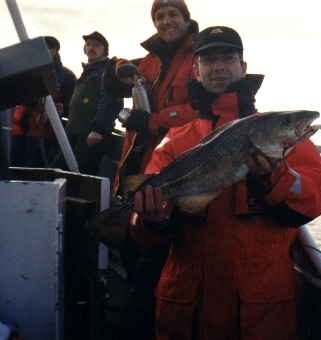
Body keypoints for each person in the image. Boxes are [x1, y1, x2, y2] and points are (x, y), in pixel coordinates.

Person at [129, 26, 321, 339]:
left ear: (243, 66)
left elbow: (313, 199)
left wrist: (273, 176)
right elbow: (143, 229)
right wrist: (151, 220)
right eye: (208, 59)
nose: (218, 66)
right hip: (188, 310)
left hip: (260, 314)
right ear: (195, 71)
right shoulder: (174, 140)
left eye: (228, 57)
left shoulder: (281, 134)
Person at [103, 1, 200, 338]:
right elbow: (115, 81)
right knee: (132, 250)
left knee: (152, 262)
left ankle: (141, 324)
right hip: (138, 167)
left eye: (173, 14)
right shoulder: (151, 59)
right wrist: (120, 68)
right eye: (159, 16)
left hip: (171, 174)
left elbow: (203, 110)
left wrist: (154, 120)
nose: (165, 20)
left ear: (186, 19)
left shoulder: (199, 56)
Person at [50, 31, 123, 175]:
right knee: (55, 171)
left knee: (82, 177)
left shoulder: (107, 72)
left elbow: (111, 101)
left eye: (96, 45)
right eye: (88, 44)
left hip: (91, 136)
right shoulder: (86, 73)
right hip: (73, 134)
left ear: (105, 50)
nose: (91, 47)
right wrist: (64, 109)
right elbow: (84, 106)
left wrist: (99, 129)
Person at [10, 36, 76, 168]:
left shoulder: (66, 76)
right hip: (18, 130)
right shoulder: (26, 72)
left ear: (54, 51)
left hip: (41, 134)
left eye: (45, 49)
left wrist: (53, 112)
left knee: (33, 171)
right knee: (13, 168)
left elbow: (72, 107)